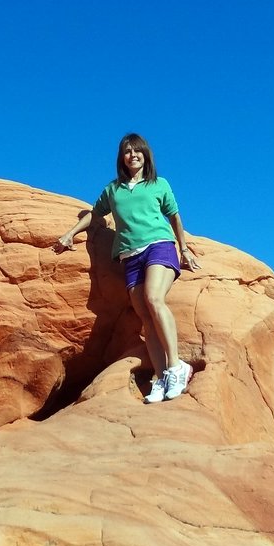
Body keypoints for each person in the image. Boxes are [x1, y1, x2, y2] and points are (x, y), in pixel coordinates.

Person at [54, 132, 201, 403]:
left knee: (154, 298)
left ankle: (176, 366)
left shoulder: (159, 184)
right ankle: (161, 377)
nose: (132, 155)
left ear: (146, 155)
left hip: (159, 245)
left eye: (137, 151)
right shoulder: (114, 190)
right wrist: (70, 233)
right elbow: (94, 214)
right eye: (127, 151)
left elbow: (175, 217)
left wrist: (184, 249)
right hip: (129, 256)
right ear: (122, 157)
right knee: (145, 316)